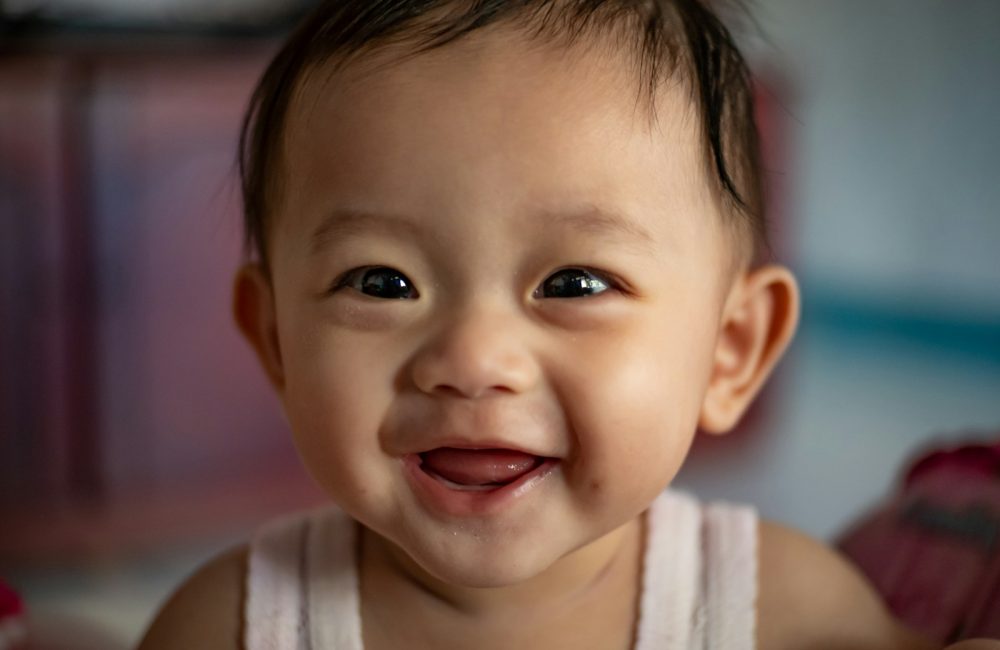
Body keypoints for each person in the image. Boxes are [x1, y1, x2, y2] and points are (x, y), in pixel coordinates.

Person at [137, 1, 993, 648]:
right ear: (278, 340)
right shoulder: (232, 625)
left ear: (730, 351)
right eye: (383, 281)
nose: (472, 360)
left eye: (574, 281)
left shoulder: (785, 613)